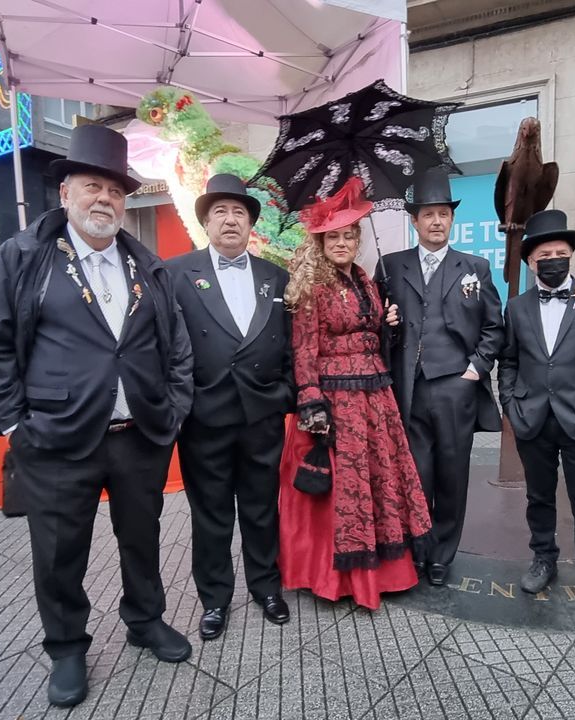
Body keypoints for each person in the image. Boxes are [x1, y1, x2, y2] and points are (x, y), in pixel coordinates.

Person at [0, 125, 194, 708]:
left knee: (142, 540)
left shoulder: (148, 265)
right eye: (92, 186)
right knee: (59, 551)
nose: (105, 200)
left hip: (138, 435)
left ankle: (145, 621)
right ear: (65, 192)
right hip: (56, 436)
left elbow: (176, 348)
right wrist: (18, 425)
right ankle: (67, 647)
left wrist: (173, 409)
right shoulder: (27, 257)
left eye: (116, 191)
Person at [278, 177, 432, 610]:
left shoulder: (365, 279)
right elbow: (304, 348)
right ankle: (341, 581)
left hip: (375, 397)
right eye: (334, 236)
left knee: (378, 482)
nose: (343, 242)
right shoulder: (312, 285)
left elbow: (371, 333)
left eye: (349, 235)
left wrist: (389, 321)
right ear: (321, 240)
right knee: (344, 491)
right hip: (336, 401)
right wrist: (311, 401)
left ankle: (382, 574)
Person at [167, 174, 294, 638]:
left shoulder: (275, 276)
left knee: (262, 509)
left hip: (262, 414)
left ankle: (266, 587)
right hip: (205, 417)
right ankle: (215, 599)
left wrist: (285, 394)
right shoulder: (176, 273)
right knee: (212, 514)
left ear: (250, 224)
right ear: (205, 222)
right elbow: (166, 347)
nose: (230, 219)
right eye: (219, 211)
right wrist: (183, 404)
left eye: (239, 212)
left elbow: (292, 345)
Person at [376, 167, 504, 587]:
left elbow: (494, 327)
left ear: (452, 220)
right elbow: (374, 324)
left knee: (452, 475)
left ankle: (442, 555)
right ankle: (419, 548)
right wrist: (386, 322)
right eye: (428, 214)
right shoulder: (390, 266)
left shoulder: (475, 267)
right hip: (408, 388)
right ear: (414, 220)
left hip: (455, 386)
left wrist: (476, 368)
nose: (436, 221)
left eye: (443, 214)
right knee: (416, 475)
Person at [497, 209, 575, 616]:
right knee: (538, 498)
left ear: (570, 255)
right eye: (544, 253)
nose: (553, 258)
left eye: (560, 251)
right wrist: (511, 405)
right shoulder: (516, 308)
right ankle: (543, 559)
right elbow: (509, 361)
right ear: (532, 261)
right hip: (533, 419)